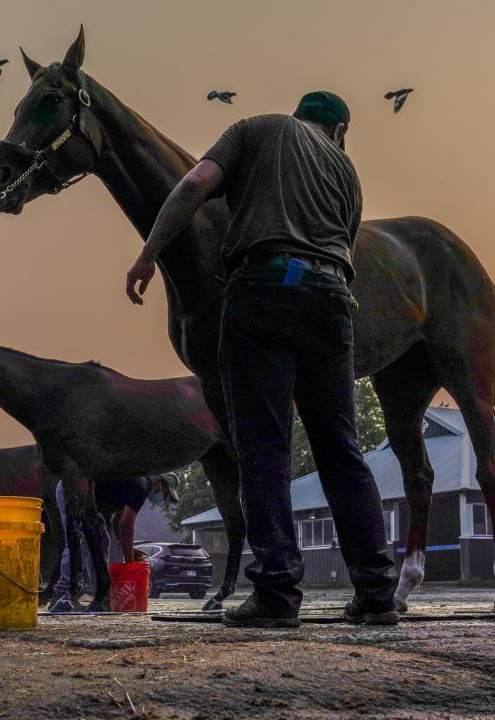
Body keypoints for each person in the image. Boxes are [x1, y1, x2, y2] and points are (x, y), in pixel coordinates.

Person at [125, 91, 398, 627]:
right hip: (333, 300)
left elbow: (194, 183)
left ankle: (276, 593)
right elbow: (344, 249)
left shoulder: (256, 128)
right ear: (340, 132)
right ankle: (376, 591)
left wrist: (149, 253)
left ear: (298, 117)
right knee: (341, 447)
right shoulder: (347, 171)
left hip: (265, 288)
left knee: (263, 444)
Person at [48, 474, 178, 613]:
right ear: (158, 481)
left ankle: (102, 595)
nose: (163, 498)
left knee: (102, 541)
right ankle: (62, 594)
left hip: (90, 500)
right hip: (72, 488)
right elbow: (126, 525)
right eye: (165, 492)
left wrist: (129, 549)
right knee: (77, 541)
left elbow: (118, 520)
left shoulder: (135, 485)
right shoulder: (141, 486)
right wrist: (130, 565)